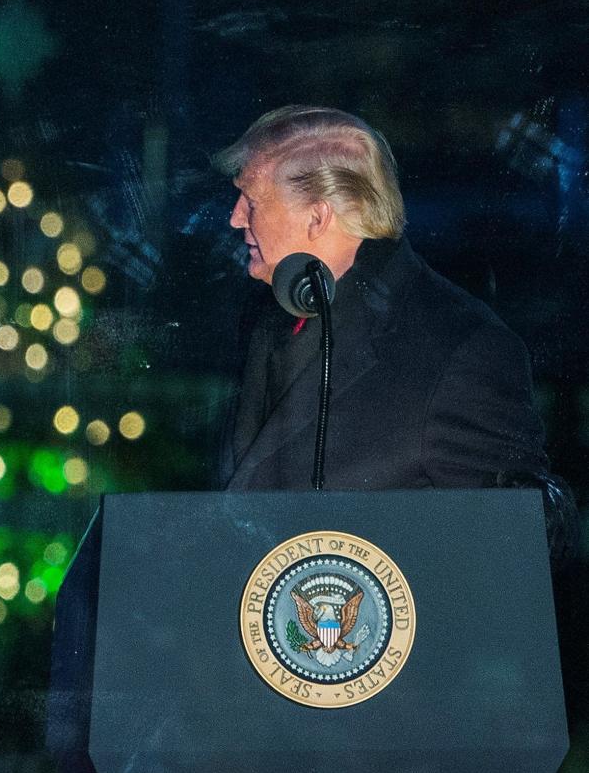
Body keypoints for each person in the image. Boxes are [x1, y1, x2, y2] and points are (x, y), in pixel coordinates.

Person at [216, 106, 560, 507]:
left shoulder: (461, 349)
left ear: (317, 216)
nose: (235, 218)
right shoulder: (277, 317)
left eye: (251, 200)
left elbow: (521, 532)